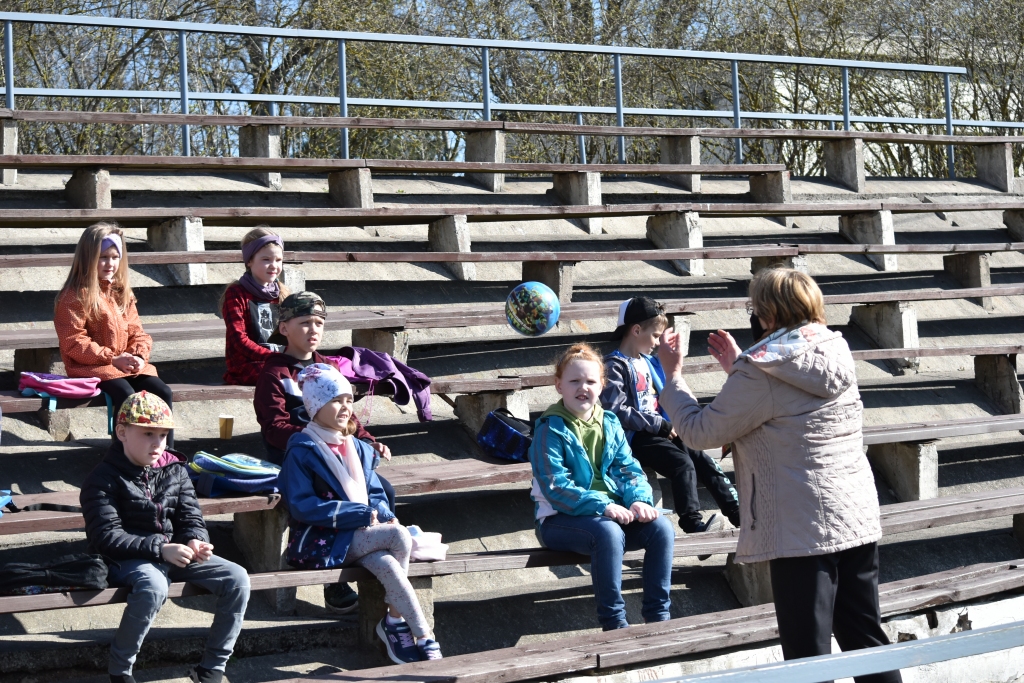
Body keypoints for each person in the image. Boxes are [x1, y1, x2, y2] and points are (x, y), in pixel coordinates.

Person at [657, 268, 901, 683]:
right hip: (854, 518)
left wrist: (673, 377)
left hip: (800, 528)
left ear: (767, 314)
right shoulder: (835, 348)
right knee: (866, 640)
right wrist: (740, 369)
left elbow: (700, 432)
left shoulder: (762, 370)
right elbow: (787, 404)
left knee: (808, 658)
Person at [79, 392, 250, 683]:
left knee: (237, 578)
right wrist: (162, 548)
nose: (158, 443)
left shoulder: (175, 468)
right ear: (122, 432)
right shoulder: (102, 478)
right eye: (148, 433)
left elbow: (190, 515)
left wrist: (196, 538)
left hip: (174, 551)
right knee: (153, 586)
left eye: (163, 435)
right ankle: (120, 670)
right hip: (126, 558)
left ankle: (212, 668)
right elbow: (106, 536)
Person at [278, 363, 442, 664]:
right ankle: (422, 635)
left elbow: (375, 494)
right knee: (396, 535)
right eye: (335, 400)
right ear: (315, 406)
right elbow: (302, 505)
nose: (344, 407)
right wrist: (362, 515)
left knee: (391, 565)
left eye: (348, 400)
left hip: (361, 536)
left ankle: (400, 626)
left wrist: (382, 512)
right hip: (322, 540)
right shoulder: (301, 450)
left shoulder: (360, 449)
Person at [252, 290, 395, 614]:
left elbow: (348, 418)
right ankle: (336, 579)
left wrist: (368, 441)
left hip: (338, 453)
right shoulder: (274, 374)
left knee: (383, 490)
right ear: (284, 327)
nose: (313, 330)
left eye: (319, 323)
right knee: (332, 495)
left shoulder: (329, 368)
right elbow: (274, 428)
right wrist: (314, 443)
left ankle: (376, 558)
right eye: (304, 323)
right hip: (296, 458)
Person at [529, 343, 675, 631]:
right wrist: (604, 505)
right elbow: (557, 487)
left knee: (661, 528)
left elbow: (629, 469)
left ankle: (659, 619)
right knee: (607, 531)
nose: (583, 387)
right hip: (559, 521)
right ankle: (614, 623)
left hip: (609, 516)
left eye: (591, 381)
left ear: (602, 385)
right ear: (559, 385)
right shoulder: (550, 429)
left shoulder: (609, 421)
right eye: (574, 381)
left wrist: (639, 500)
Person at [601, 296, 740, 535]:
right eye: (655, 336)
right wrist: (660, 424)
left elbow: (667, 393)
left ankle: (740, 515)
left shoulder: (650, 362)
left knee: (702, 458)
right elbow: (616, 410)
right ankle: (692, 523)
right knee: (682, 463)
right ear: (636, 330)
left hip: (663, 430)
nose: (657, 342)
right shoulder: (614, 365)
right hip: (636, 438)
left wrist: (676, 422)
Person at [54, 222, 176, 447]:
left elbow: (138, 332)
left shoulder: (121, 292)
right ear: (87, 258)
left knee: (162, 391)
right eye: (102, 257)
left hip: (124, 363)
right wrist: (112, 358)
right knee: (125, 394)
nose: (109, 263)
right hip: (93, 366)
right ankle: (124, 455)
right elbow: (74, 342)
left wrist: (137, 356)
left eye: (114, 257)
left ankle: (166, 456)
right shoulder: (73, 296)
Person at [221, 227, 290, 385]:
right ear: (249, 261)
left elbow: (292, 333)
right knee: (280, 375)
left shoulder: (282, 293)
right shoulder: (236, 293)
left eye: (278, 260)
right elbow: (239, 340)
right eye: (266, 260)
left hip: (279, 359)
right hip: (247, 364)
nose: (274, 265)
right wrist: (273, 357)